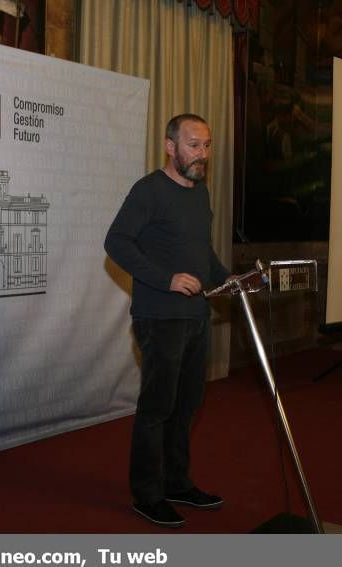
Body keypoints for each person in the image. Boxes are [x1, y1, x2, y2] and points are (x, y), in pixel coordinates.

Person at [104, 114, 231, 528]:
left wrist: (229, 281)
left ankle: (177, 482)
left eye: (207, 146)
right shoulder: (149, 190)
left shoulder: (200, 193)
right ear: (170, 146)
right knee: (157, 407)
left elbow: (200, 252)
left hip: (197, 316)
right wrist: (166, 278)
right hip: (159, 317)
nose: (202, 154)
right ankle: (147, 494)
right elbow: (116, 242)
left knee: (187, 405)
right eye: (194, 145)